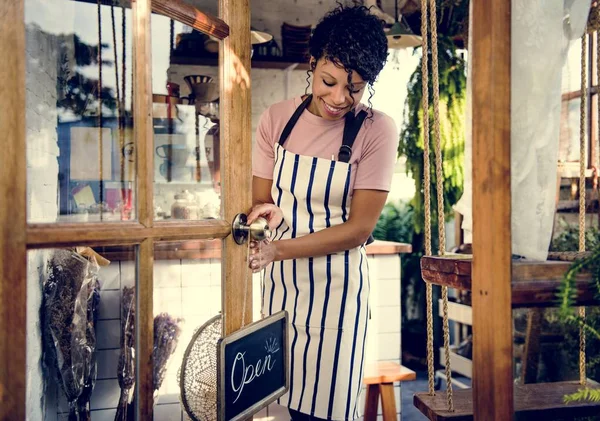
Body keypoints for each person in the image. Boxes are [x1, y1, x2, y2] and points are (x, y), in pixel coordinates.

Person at [248, 4, 398, 421]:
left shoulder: (375, 130)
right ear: (312, 65)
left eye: (354, 88)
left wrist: (278, 250)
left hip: (338, 297)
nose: (338, 99)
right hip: (281, 292)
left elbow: (358, 230)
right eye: (328, 82)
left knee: (327, 413)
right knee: (279, 412)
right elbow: (261, 204)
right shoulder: (277, 119)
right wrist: (264, 217)